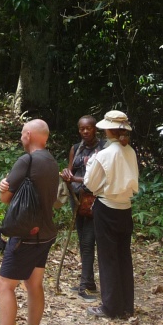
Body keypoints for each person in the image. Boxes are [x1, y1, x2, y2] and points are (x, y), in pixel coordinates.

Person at [0, 120, 60, 325]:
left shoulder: (27, 160)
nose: (21, 138)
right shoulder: (52, 162)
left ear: (29, 135)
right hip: (46, 233)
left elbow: (6, 198)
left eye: (22, 133)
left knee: (4, 285)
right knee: (34, 284)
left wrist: (3, 186)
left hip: (26, 234)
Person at [83, 111, 139, 320]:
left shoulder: (105, 154)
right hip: (125, 209)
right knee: (124, 256)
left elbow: (90, 184)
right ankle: (126, 306)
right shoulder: (130, 151)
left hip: (106, 208)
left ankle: (110, 307)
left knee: (108, 258)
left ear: (108, 129)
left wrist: (90, 163)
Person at [60, 116, 106, 299]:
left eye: (89, 128)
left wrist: (77, 180)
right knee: (83, 240)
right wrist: (66, 175)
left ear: (95, 129)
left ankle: (85, 285)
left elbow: (103, 176)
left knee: (89, 241)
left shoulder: (104, 148)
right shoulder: (76, 148)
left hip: (95, 199)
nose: (85, 132)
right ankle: (88, 281)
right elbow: (70, 170)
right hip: (77, 199)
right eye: (82, 129)